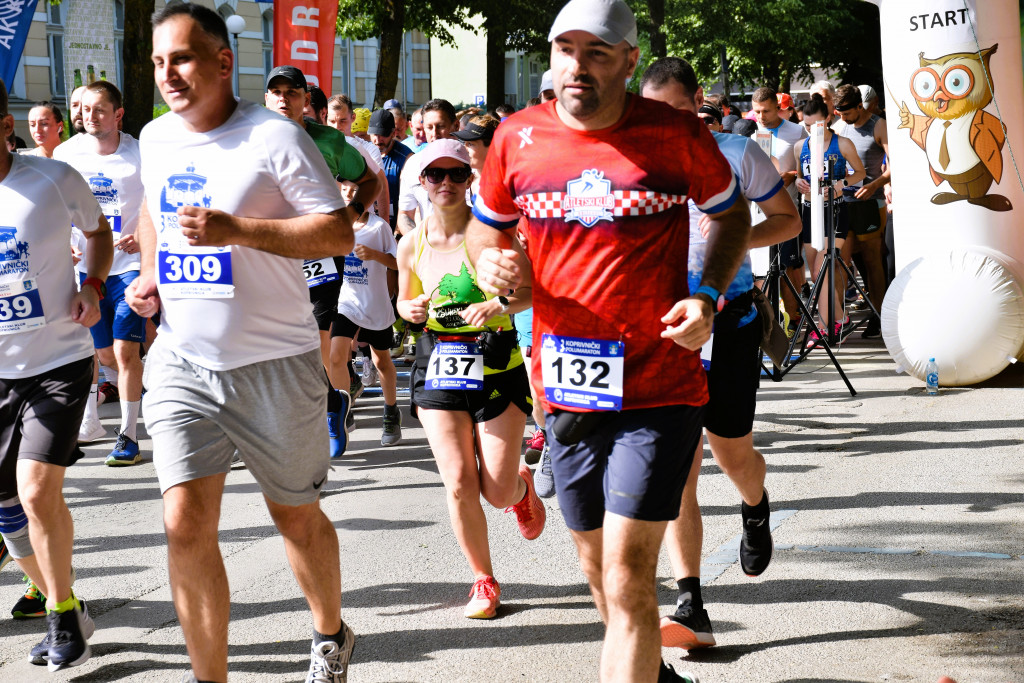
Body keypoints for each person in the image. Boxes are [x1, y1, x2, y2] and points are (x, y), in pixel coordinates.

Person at [468, 1, 749, 680]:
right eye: (566, 50)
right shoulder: (517, 137)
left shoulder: (674, 133)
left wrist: (705, 295)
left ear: (629, 60)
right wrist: (487, 262)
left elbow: (732, 214)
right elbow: (485, 228)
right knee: (598, 572)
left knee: (626, 575)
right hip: (567, 389)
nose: (578, 66)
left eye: (597, 53)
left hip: (660, 385)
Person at [125, 6, 356, 681]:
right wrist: (149, 271)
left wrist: (238, 230)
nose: (168, 74)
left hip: (275, 364)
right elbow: (153, 208)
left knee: (296, 519)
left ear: (223, 61)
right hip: (182, 359)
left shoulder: (273, 136)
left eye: (182, 58)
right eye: (159, 61)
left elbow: (337, 232)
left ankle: (330, 634)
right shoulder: (156, 138)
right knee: (184, 523)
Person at [641, 55, 800, 652]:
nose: (667, 124)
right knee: (678, 468)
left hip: (729, 321)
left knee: (732, 454)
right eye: (654, 113)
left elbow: (787, 221)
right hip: (666, 325)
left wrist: (736, 236)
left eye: (678, 112)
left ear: (699, 104)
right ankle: (691, 601)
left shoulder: (736, 152)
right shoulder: (635, 163)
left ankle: (755, 505)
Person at [397, 139, 544, 620]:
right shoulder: (411, 243)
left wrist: (497, 304)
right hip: (439, 363)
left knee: (495, 491)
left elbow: (531, 292)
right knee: (459, 482)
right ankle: (483, 579)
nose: (446, 183)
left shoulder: (494, 236)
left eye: (456, 174)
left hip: (496, 362)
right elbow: (404, 301)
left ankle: (520, 489)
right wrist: (409, 309)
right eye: (435, 175)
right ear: (422, 182)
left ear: (469, 180)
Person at [0, 77, 113, 670]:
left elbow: (99, 232)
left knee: (37, 491)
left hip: (58, 361)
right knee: (7, 510)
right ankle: (59, 597)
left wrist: (92, 285)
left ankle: (62, 616)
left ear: (4, 127)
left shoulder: (52, 178)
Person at [264, 66, 380, 458]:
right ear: (266, 99)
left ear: (305, 99)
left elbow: (371, 181)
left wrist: (351, 214)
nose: (283, 99)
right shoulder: (251, 138)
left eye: (292, 92)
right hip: (274, 255)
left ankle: (323, 414)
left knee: (317, 343)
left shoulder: (328, 140)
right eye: (276, 92)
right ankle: (328, 402)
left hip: (321, 253)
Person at [54, 80, 149, 466]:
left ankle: (128, 436)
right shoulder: (66, 153)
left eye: (98, 110)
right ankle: (147, 383)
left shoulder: (139, 154)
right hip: (86, 269)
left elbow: (157, 202)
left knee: (125, 351)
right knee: (102, 352)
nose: (88, 116)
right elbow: (55, 205)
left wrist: (142, 237)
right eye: (85, 109)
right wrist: (64, 242)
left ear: (118, 115)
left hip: (128, 266)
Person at [329, 180, 402, 446]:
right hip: (345, 302)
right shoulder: (335, 225)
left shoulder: (379, 227)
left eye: (355, 190)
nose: (350, 194)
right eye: (345, 189)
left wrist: (374, 255)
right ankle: (342, 411)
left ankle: (391, 411)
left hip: (375, 303)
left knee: (381, 361)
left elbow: (397, 262)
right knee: (336, 356)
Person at [793, 93, 866, 342]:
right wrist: (799, 182)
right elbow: (799, 176)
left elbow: (860, 173)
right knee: (817, 275)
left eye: (816, 124)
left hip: (834, 211)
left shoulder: (842, 143)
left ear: (827, 120)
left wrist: (840, 183)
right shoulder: (800, 146)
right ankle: (841, 320)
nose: (812, 130)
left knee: (822, 269)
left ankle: (824, 327)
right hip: (809, 211)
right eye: (807, 125)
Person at [833, 83, 890, 338]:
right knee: (841, 261)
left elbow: (895, 165)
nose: (843, 118)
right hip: (844, 202)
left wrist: (875, 185)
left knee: (872, 261)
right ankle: (838, 319)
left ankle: (880, 316)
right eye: (840, 114)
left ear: (860, 106)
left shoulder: (879, 125)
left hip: (870, 202)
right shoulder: (839, 127)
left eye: (847, 113)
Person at [750, 87, 808, 332]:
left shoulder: (797, 131)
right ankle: (769, 326)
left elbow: (807, 165)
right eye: (757, 112)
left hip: (787, 211)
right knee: (762, 272)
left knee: (787, 269)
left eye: (766, 111)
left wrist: (793, 175)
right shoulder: (752, 132)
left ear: (778, 107)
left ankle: (793, 321)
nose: (761, 117)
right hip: (758, 213)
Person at [397, 98, 459, 235]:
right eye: (429, 128)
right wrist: (418, 242)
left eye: (441, 126)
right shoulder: (413, 164)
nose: (434, 134)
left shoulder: (471, 162)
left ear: (456, 125)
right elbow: (404, 214)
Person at [368, 108, 413, 230]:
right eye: (375, 135)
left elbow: (410, 201)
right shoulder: (364, 151)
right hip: (369, 225)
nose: (378, 140)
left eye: (384, 135)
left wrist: (397, 232)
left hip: (397, 227)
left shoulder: (406, 157)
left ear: (393, 133)